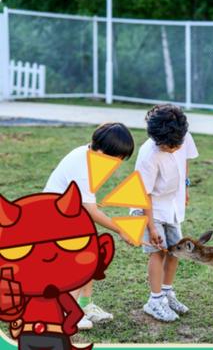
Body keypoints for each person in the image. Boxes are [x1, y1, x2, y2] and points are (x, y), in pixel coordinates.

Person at [43, 122, 136, 330]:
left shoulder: (89, 155)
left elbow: (87, 205)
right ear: (102, 151)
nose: (118, 163)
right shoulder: (84, 166)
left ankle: (85, 305)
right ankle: (68, 311)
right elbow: (92, 212)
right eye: (117, 158)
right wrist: (122, 229)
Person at [133, 104, 198, 322]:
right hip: (149, 208)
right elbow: (144, 194)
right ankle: (154, 300)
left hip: (172, 203)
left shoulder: (182, 135)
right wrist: (151, 228)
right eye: (169, 146)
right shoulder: (148, 156)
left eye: (176, 144)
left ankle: (167, 292)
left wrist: (185, 187)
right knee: (158, 251)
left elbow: (186, 160)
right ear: (157, 140)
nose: (174, 149)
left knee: (175, 250)